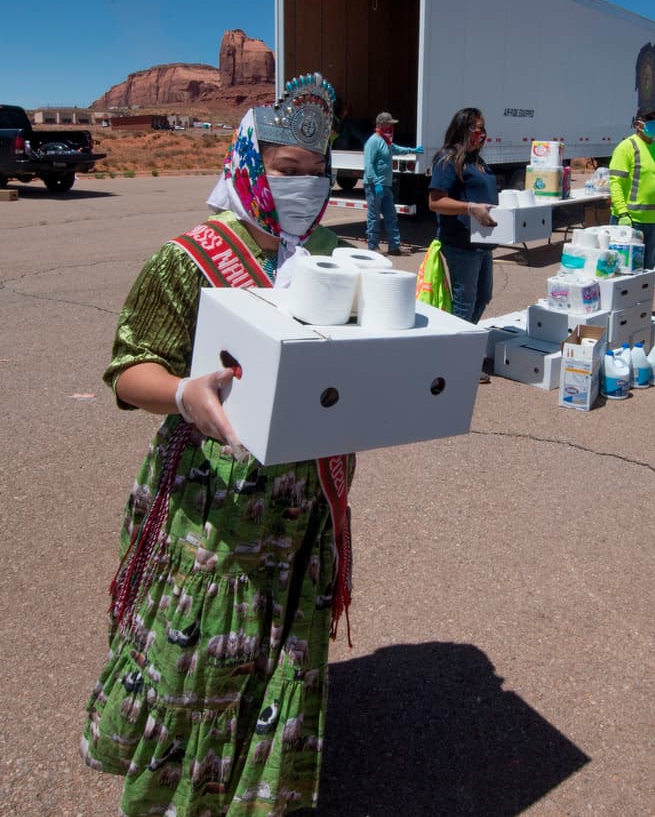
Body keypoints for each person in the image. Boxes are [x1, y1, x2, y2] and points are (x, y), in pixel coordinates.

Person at [81, 74, 359, 816]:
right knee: (201, 659)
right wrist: (181, 394)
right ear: (246, 162)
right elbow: (127, 366)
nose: (303, 186)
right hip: (216, 515)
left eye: (315, 171)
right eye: (286, 170)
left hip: (300, 510)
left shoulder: (333, 256)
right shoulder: (192, 256)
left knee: (281, 654)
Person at [428, 107, 499, 364]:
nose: (482, 135)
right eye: (476, 130)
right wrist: (470, 208)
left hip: (482, 244)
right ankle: (457, 360)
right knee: (464, 301)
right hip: (461, 244)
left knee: (483, 296)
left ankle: (463, 347)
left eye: (483, 130)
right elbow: (435, 202)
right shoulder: (448, 159)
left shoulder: (478, 162)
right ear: (463, 130)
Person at [608, 105, 655, 270]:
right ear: (638, 124)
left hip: (650, 221)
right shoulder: (626, 147)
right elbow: (615, 183)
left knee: (648, 268)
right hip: (629, 220)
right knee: (623, 270)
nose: (654, 123)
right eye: (650, 119)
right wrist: (622, 212)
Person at [363, 111, 423, 255]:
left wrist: (412, 150)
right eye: (389, 124)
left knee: (391, 215)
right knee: (374, 216)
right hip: (374, 186)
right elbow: (368, 165)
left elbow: (396, 149)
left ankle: (394, 246)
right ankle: (373, 246)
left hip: (385, 186)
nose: (391, 126)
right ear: (382, 124)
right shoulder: (373, 141)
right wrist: (376, 183)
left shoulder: (386, 140)